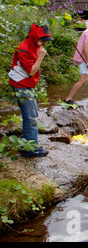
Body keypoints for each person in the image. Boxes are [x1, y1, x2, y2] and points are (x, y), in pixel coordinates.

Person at [8, 24, 53, 157]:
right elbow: (31, 72)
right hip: (20, 84)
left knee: (32, 114)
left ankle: (25, 141)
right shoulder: (23, 49)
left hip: (26, 84)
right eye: (42, 40)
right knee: (30, 117)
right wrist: (41, 57)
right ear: (34, 37)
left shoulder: (34, 45)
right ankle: (31, 148)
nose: (44, 43)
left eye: (45, 40)